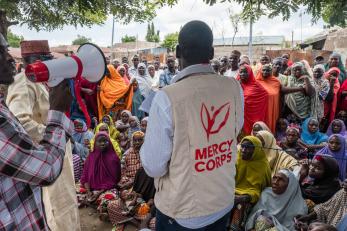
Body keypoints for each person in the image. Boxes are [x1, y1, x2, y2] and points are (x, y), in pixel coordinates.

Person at [140, 20, 244, 230]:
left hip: (181, 212)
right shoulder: (233, 87)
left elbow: (153, 166)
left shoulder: (167, 97)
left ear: (178, 51)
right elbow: (235, 130)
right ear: (212, 52)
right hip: (222, 202)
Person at [0, 33, 76, 230]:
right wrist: (55, 126)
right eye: (2, 52)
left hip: (51, 151)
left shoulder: (41, 81)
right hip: (42, 157)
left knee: (66, 203)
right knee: (58, 209)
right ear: (31, 61)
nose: (9, 58)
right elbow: (22, 121)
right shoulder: (22, 82)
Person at [230, 136, 271, 230]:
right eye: (242, 146)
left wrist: (245, 197)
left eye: (248, 148)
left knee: (240, 205)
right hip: (233, 189)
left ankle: (234, 228)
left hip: (252, 194)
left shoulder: (262, 165)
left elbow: (261, 189)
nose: (243, 150)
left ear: (256, 150)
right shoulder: (237, 159)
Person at [236, 65, 268, 135]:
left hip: (252, 115)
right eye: (241, 72)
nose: (243, 74)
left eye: (245, 72)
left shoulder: (256, 85)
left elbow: (265, 95)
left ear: (250, 73)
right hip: (239, 115)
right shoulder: (236, 83)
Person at [255, 64, 282, 132]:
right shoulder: (256, 82)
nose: (265, 72)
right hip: (260, 110)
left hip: (272, 109)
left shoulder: (276, 82)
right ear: (260, 71)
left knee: (269, 125)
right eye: (263, 70)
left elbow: (280, 94)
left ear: (271, 71)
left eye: (268, 70)